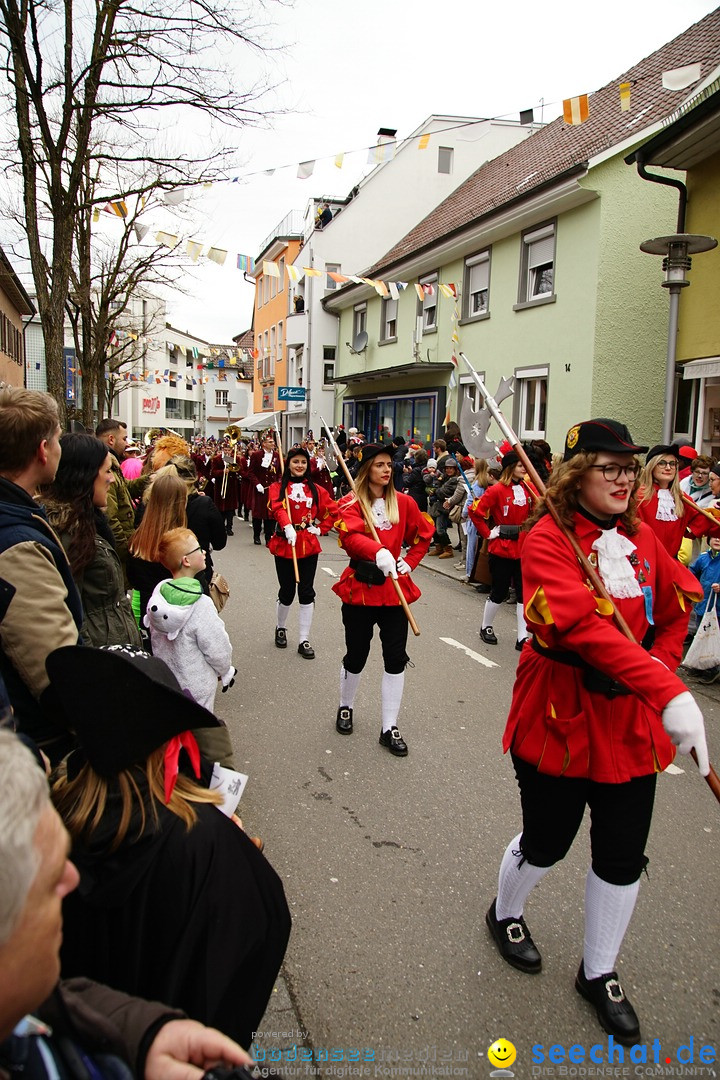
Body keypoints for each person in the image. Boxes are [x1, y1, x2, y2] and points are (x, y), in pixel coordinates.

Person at [485, 418, 709, 1046]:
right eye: (606, 466)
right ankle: (505, 911)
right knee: (548, 840)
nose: (622, 477)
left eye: (628, 467)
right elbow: (582, 631)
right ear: (573, 474)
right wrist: (667, 688)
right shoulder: (547, 542)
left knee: (621, 852)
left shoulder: (643, 541)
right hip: (561, 712)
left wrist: (661, 669)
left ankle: (599, 969)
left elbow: (674, 610)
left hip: (631, 721)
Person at [49, 645, 291, 1052]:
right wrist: (236, 862)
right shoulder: (202, 840)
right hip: (163, 1040)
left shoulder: (50, 815)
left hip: (78, 1035)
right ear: (167, 743)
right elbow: (264, 926)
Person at [0, 729, 255, 1078]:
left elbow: (56, 1002)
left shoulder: (70, 795)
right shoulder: (194, 839)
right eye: (48, 877)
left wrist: (144, 1036)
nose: (72, 878)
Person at [332, 444, 434, 755]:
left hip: (394, 592)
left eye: (389, 464)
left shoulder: (404, 502)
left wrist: (410, 561)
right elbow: (349, 537)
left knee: (395, 657)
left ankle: (389, 726)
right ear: (367, 470)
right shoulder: (352, 502)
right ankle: (345, 705)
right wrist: (377, 551)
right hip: (361, 589)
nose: (387, 469)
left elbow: (423, 536)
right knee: (357, 654)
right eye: (379, 465)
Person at [0, 387, 83, 761]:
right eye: (58, 439)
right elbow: (57, 674)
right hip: (40, 747)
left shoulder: (19, 512)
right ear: (42, 450)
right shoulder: (17, 544)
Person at [145, 527, 236, 767]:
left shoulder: (159, 595)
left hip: (168, 679)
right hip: (196, 684)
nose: (204, 552)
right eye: (198, 548)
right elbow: (217, 648)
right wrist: (225, 670)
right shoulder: (201, 604)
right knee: (199, 736)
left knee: (173, 733)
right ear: (186, 560)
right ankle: (199, 776)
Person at [42, 433, 142, 649]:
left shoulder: (89, 522)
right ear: (85, 476)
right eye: (106, 471)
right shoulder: (68, 534)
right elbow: (70, 617)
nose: (112, 479)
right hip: (100, 660)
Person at [267, 446, 338, 659]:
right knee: (287, 591)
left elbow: (333, 511)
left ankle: (304, 639)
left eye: (303, 462)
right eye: (295, 461)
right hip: (285, 542)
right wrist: (287, 526)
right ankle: (281, 627)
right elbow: (277, 507)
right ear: (288, 464)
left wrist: (321, 528)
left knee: (306, 591)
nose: (299, 466)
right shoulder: (277, 487)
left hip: (307, 544)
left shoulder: (316, 489)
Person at [468, 451, 537, 648]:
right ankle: (486, 626)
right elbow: (475, 512)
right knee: (499, 590)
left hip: (524, 547)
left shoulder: (529, 488)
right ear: (510, 467)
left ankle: (522, 636)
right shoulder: (496, 490)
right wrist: (488, 534)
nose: (524, 467)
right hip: (503, 547)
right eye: (519, 464)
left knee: (524, 593)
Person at [127, 469, 189, 626]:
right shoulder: (183, 542)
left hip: (149, 613)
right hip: (179, 617)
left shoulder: (138, 539)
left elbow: (134, 579)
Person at [637, 444, 720, 557]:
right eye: (662, 463)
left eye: (672, 464)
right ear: (652, 466)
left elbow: (706, 523)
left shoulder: (681, 498)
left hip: (670, 564)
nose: (668, 467)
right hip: (643, 561)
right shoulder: (637, 496)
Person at [96, 419, 149, 578]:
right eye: (124, 439)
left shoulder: (113, 463)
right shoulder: (106, 465)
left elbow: (126, 488)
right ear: (111, 439)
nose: (127, 444)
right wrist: (126, 549)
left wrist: (152, 477)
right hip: (119, 553)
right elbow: (110, 518)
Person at [247, 430, 281, 546]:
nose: (273, 444)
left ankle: (268, 537)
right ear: (264, 444)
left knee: (270, 515)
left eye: (273, 441)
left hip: (272, 490)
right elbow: (251, 473)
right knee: (258, 514)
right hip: (260, 489)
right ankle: (256, 535)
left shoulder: (277, 456)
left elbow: (280, 472)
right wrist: (257, 484)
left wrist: (278, 483)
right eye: (270, 442)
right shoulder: (256, 455)